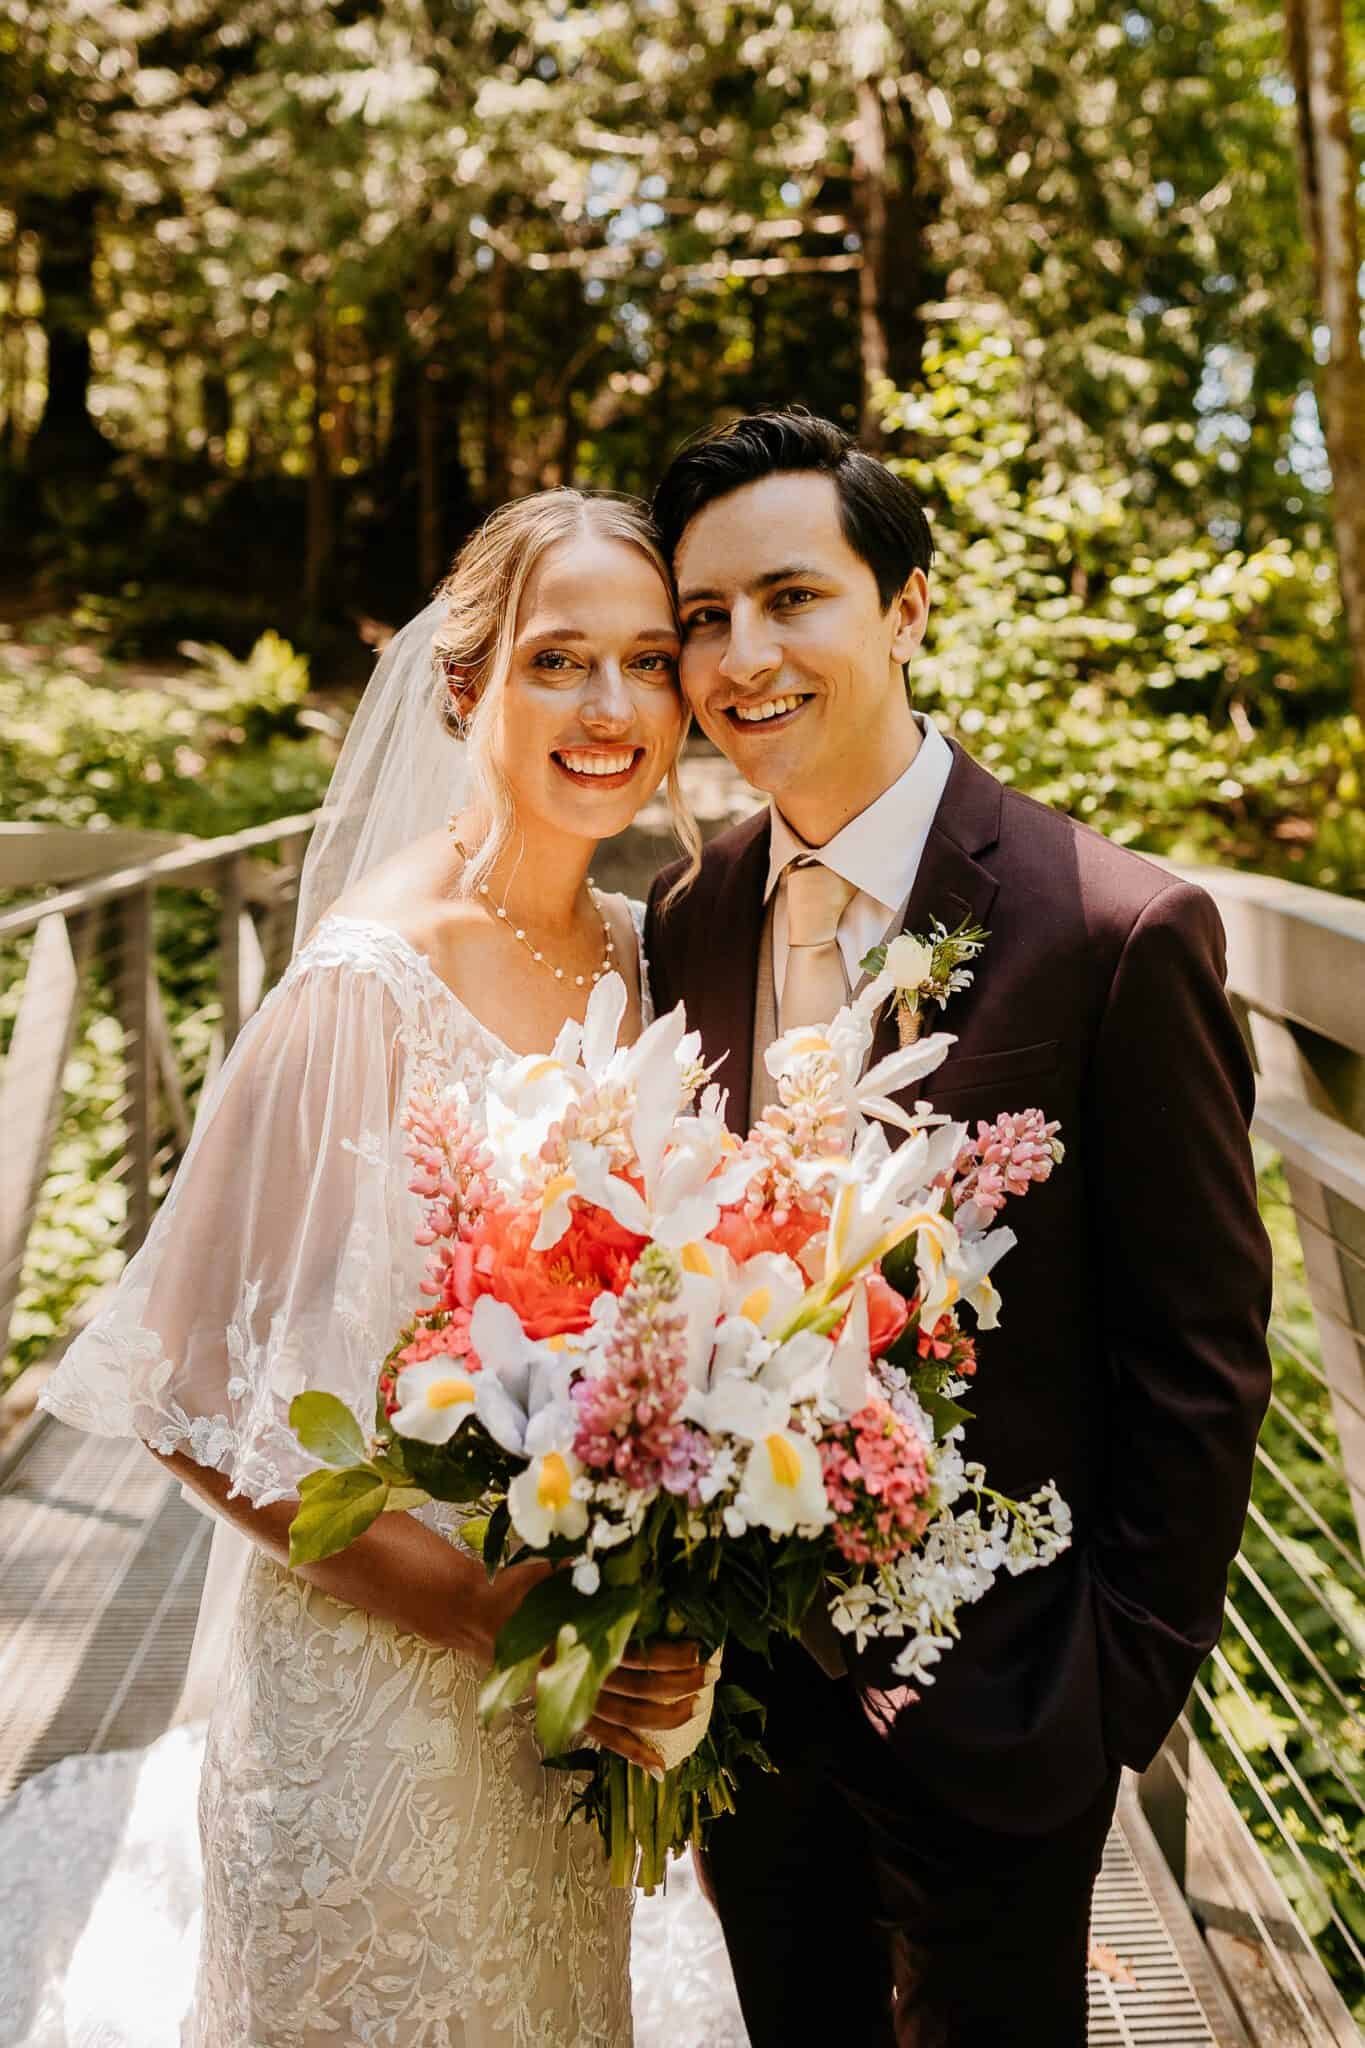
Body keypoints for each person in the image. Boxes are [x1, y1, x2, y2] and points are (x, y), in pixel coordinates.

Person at [32, 489, 709, 2048]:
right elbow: (184, 1385)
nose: (610, 710)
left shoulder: (638, 945)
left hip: (576, 1691)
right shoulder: (362, 983)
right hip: (383, 1696)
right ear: (463, 687)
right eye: (557, 662)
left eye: (647, 661)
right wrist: (480, 1610)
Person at [644, 410, 1274, 2047]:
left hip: (1008, 1707)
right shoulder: (689, 909)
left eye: (793, 598)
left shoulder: (1113, 929)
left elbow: (1200, 1357)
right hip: (750, 1705)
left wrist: (1107, 1699)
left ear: (907, 604)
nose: (741, 656)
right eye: (703, 619)